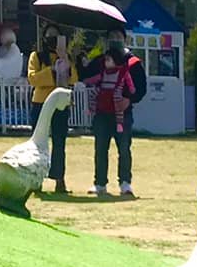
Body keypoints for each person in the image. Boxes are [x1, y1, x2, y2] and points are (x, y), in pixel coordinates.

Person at [84, 46, 137, 197]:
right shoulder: (101, 72)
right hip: (102, 115)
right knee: (100, 150)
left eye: (108, 59)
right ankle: (100, 183)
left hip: (121, 116)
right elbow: (89, 79)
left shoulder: (126, 73)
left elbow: (135, 89)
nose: (105, 61)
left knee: (124, 149)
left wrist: (128, 99)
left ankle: (125, 183)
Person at [27, 30, 71, 194]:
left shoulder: (65, 57)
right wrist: (52, 70)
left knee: (59, 142)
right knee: (37, 143)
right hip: (40, 103)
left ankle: (59, 178)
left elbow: (73, 78)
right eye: (50, 35)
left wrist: (64, 60)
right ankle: (36, 180)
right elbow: (32, 79)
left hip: (60, 105)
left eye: (56, 36)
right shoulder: (36, 57)